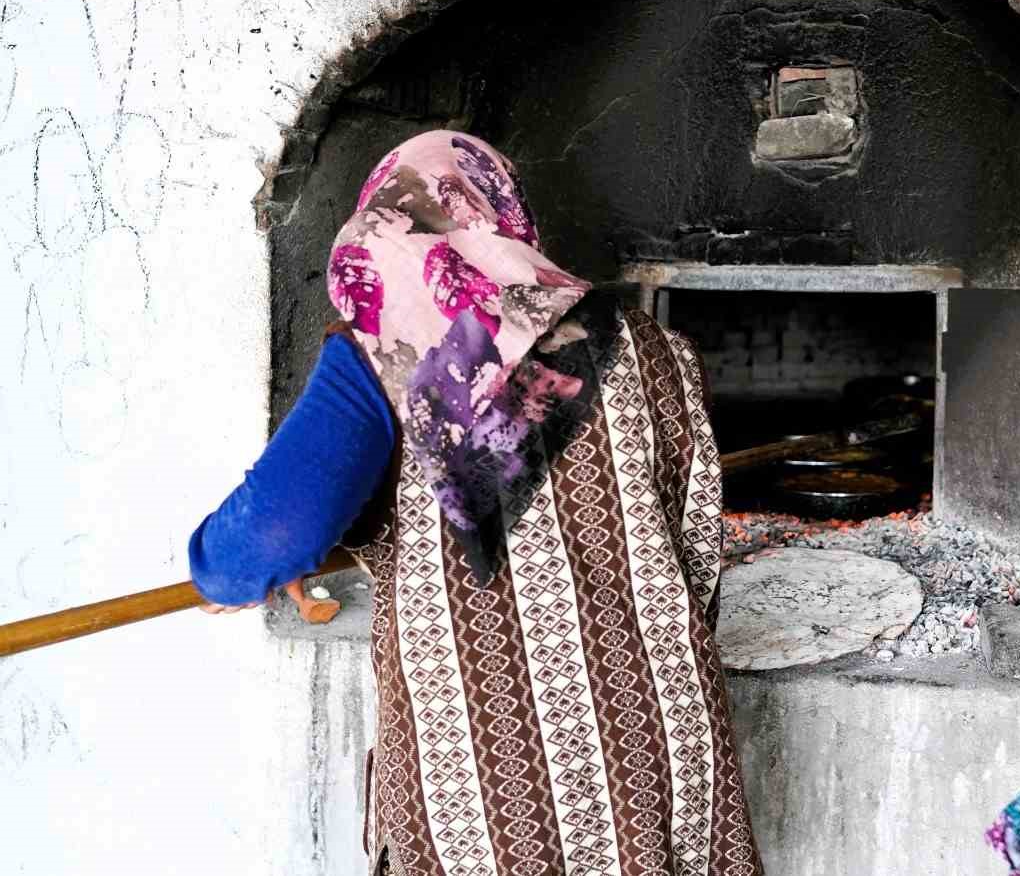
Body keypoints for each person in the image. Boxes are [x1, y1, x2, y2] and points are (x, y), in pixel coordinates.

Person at [188, 130, 764, 876]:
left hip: (489, 774)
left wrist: (219, 571)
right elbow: (696, 556)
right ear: (497, 215)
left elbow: (267, 538)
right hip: (659, 745)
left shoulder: (380, 359)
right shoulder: (650, 346)